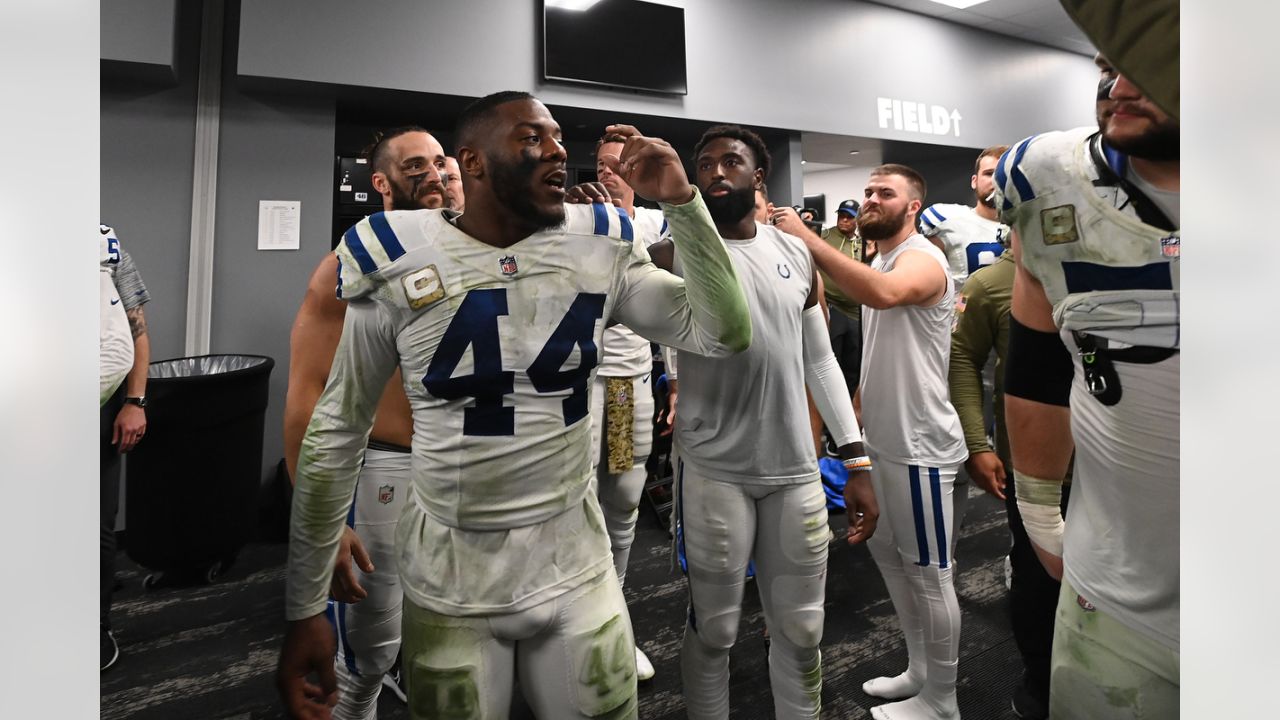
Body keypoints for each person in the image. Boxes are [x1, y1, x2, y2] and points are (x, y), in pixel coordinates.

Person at [276, 90, 752, 720]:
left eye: (557, 137)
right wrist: (305, 604)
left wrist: (684, 205)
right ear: (472, 162)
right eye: (531, 138)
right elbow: (337, 427)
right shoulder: (393, 252)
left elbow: (723, 332)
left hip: (576, 560)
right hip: (452, 573)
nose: (556, 149)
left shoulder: (601, 242)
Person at [648, 124, 878, 720]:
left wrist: (855, 459)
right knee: (716, 630)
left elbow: (819, 358)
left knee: (802, 630)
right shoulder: (672, 255)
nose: (716, 172)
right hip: (713, 472)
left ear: (758, 177)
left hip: (795, 470)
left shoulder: (795, 252)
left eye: (731, 162)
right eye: (704, 164)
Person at [997, 53, 1179, 719]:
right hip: (1113, 592)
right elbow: (1048, 363)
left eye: (1154, 60)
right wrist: (1041, 512)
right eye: (1109, 64)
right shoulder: (1048, 179)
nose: (1122, 87)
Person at [284, 125, 450, 718]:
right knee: (365, 660)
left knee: (453, 644)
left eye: (440, 162)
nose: (432, 174)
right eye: (414, 166)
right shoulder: (345, 268)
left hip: (458, 471)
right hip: (385, 470)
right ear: (379, 181)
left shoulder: (474, 258)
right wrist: (319, 523)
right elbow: (306, 398)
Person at [801, 165, 967, 720]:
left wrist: (807, 240)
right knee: (891, 561)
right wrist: (855, 423)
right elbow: (878, 355)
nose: (870, 199)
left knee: (930, 572)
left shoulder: (921, 258)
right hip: (883, 441)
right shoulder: (878, 257)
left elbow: (887, 295)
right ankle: (922, 672)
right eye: (867, 191)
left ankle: (943, 699)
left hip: (921, 447)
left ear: (912, 206)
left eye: (884, 193)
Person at [948, 248, 1067, 719]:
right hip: (1034, 470)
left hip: (1117, 466)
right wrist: (977, 443)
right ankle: (1041, 684)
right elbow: (963, 358)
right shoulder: (991, 282)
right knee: (1036, 578)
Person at [581, 131, 676, 683]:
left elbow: (674, 308)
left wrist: (679, 381)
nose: (610, 172)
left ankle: (616, 624)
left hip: (622, 388)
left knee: (620, 502)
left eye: (620, 165)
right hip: (571, 387)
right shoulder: (570, 220)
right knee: (570, 504)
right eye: (602, 164)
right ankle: (573, 625)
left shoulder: (654, 227)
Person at [99, 223, 152, 673]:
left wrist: (134, 402)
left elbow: (136, 329)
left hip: (100, 403)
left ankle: (94, 629)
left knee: (97, 526)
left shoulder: (104, 243)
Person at [920, 147, 1011, 292]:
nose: (997, 181)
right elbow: (922, 278)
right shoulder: (948, 221)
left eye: (1004, 175)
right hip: (963, 311)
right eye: (989, 173)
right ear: (974, 181)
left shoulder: (1030, 225)